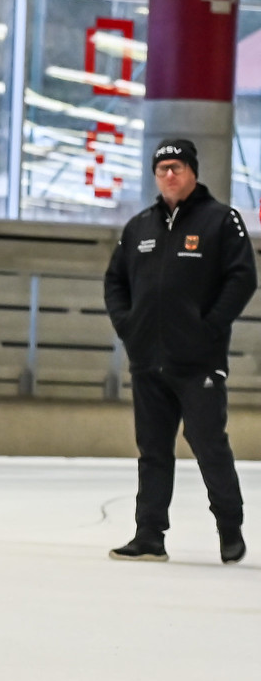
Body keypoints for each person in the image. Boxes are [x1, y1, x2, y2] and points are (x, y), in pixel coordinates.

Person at [103, 138, 254, 564]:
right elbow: (115, 281)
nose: (170, 175)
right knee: (152, 449)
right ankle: (149, 534)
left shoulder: (222, 221)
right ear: (155, 175)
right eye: (162, 168)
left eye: (177, 167)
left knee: (207, 442)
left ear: (193, 171)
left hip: (198, 361)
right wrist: (127, 326)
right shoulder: (139, 227)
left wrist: (208, 327)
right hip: (148, 359)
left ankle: (229, 527)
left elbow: (242, 279)